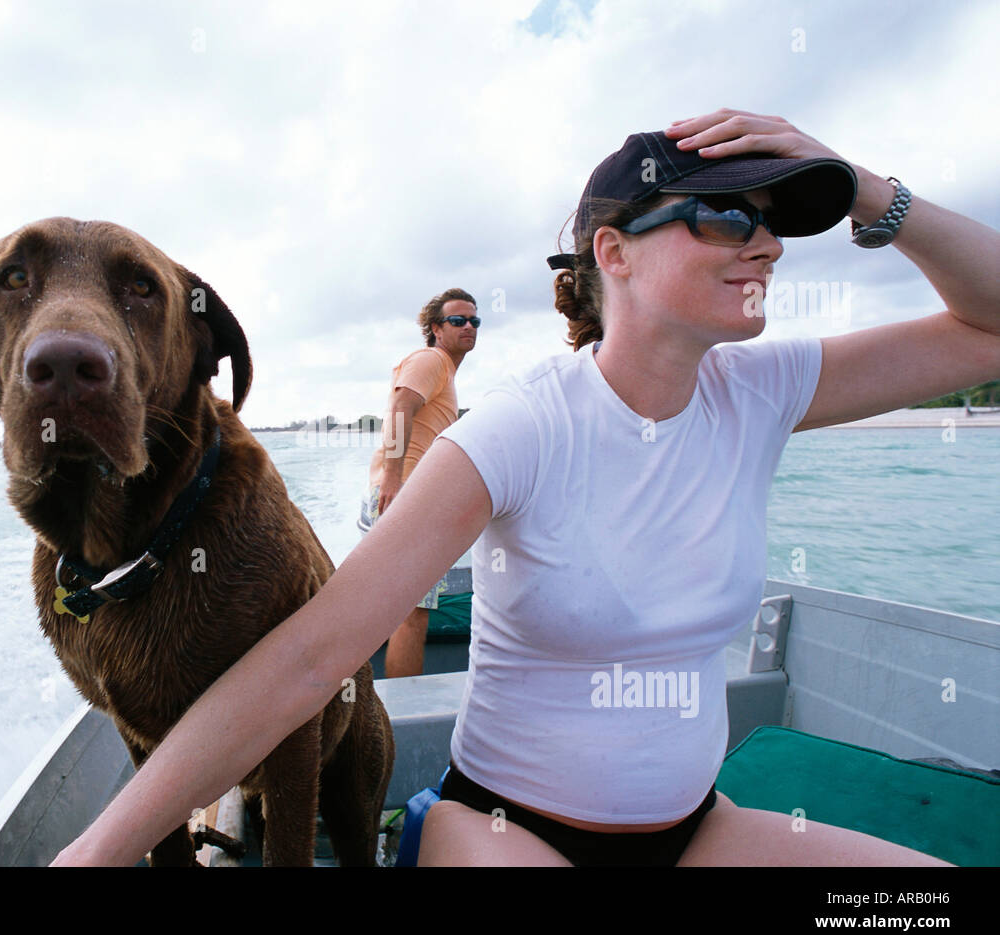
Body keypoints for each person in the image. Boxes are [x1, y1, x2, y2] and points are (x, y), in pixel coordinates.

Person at [52, 109, 999, 866]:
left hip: (696, 830)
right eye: (725, 218)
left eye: (771, 224)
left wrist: (868, 191)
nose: (767, 247)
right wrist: (96, 853)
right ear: (613, 253)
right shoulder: (522, 428)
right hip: (507, 830)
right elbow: (309, 661)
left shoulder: (762, 390)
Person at [359, 289, 478, 677]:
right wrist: (395, 478)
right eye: (457, 320)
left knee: (403, 611)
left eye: (474, 320)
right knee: (413, 614)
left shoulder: (443, 371)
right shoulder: (432, 360)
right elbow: (400, 408)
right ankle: (400, 705)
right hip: (405, 497)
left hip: (409, 497)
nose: (468, 326)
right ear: (435, 329)